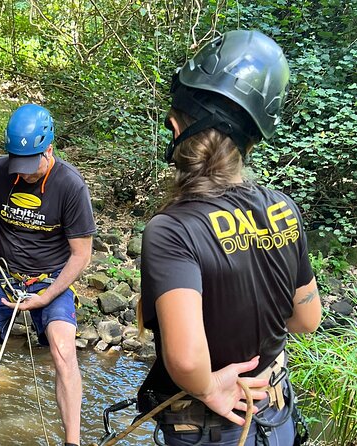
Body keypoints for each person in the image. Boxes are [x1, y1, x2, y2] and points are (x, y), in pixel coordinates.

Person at [136, 30, 322, 446]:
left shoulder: (172, 229)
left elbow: (186, 360)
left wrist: (209, 386)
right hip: (275, 416)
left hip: (213, 427)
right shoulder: (282, 209)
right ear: (251, 140)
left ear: (176, 126)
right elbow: (307, 320)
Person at [0, 104, 96, 446]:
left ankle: (72, 441)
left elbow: (81, 255)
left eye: (32, 165)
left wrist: (46, 296)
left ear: (49, 149)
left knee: (63, 350)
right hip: (4, 274)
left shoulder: (70, 187)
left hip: (51, 277)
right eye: (19, 164)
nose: (25, 173)